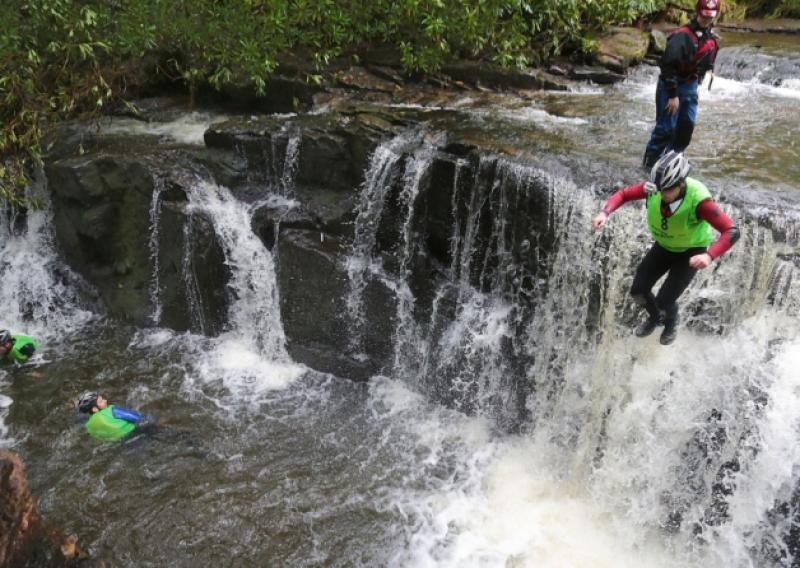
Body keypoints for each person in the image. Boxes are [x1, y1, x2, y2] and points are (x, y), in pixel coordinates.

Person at [592, 151, 739, 345]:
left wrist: (709, 256)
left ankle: (671, 322)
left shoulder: (700, 201)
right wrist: (605, 213)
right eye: (660, 190)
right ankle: (655, 318)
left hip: (691, 252)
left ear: (681, 183)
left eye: (668, 190)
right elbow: (624, 194)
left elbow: (731, 231)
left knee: (664, 301)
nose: (662, 194)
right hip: (664, 246)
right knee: (638, 291)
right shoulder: (655, 187)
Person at [643, 0, 721, 169]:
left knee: (686, 127)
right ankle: (649, 165)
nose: (706, 20)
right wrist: (672, 95)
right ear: (697, 13)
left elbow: (705, 61)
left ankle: (672, 162)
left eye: (710, 17)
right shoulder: (682, 36)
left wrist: (702, 79)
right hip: (671, 85)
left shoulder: (710, 38)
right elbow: (667, 66)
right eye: (703, 16)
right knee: (666, 128)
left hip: (690, 86)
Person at [76, 391, 158, 441]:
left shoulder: (89, 426)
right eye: (101, 401)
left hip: (124, 443)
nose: (105, 401)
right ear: (94, 409)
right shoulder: (111, 410)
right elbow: (139, 418)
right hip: (139, 432)